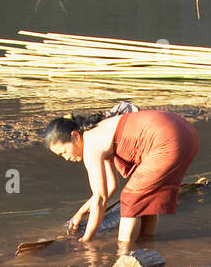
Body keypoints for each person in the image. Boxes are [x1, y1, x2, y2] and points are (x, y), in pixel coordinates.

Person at [44, 105, 199, 250]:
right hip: (187, 133)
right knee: (146, 199)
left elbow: (100, 198)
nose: (66, 158)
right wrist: (80, 213)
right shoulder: (99, 133)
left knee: (130, 198)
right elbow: (111, 187)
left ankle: (124, 254)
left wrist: (86, 241)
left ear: (75, 136)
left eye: (64, 152)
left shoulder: (90, 143)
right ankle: (147, 246)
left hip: (169, 138)